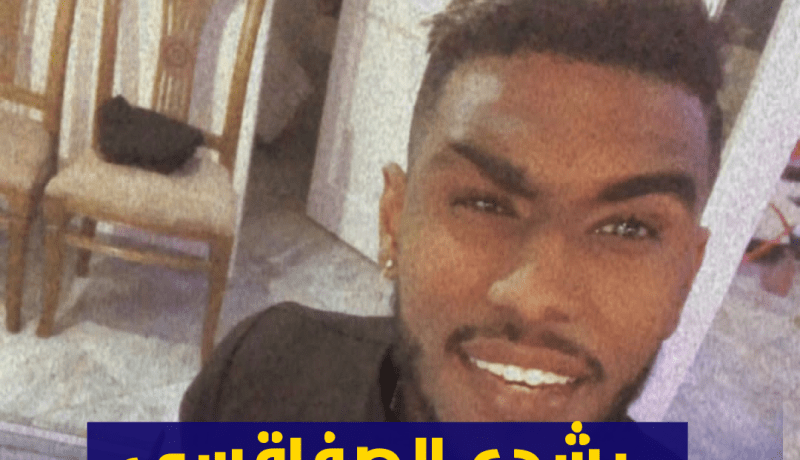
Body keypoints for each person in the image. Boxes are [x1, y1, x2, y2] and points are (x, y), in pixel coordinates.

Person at [180, 0, 724, 423]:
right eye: (485, 203)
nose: (535, 297)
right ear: (394, 223)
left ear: (685, 279)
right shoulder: (263, 376)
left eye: (629, 227)